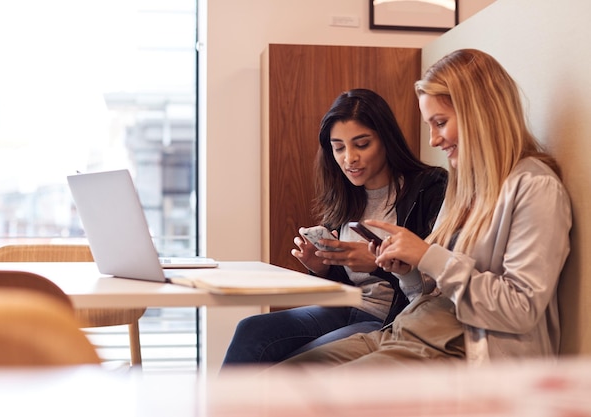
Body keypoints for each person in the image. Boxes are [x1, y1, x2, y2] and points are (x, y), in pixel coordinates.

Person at [270, 49, 572, 369]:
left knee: (307, 392)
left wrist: (427, 255)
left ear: (479, 114)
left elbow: (519, 309)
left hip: (461, 350)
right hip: (410, 331)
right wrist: (407, 269)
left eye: (440, 123)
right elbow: (428, 294)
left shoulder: (535, 187)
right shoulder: (465, 185)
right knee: (280, 379)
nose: (433, 140)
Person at [222, 88, 448, 367]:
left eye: (362, 144)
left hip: (392, 317)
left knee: (295, 364)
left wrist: (377, 262)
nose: (349, 158)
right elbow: (345, 282)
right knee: (252, 330)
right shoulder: (347, 194)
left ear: (386, 140)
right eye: (339, 147)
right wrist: (323, 267)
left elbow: (433, 279)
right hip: (346, 307)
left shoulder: (427, 189)